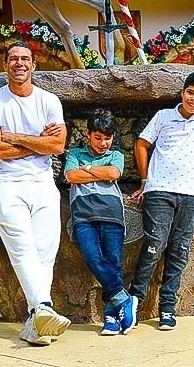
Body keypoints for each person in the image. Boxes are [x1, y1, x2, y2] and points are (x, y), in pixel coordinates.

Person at [0, 42, 70, 346]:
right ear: (5, 66)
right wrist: (35, 143)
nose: (20, 63)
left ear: (34, 66)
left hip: (43, 183)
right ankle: (44, 308)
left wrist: (15, 136)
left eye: (25, 59)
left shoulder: (49, 101)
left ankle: (36, 323)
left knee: (45, 251)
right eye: (14, 59)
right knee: (21, 247)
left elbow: (57, 146)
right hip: (8, 184)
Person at [127, 71, 194, 331]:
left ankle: (167, 307)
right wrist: (144, 180)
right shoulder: (163, 116)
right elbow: (141, 144)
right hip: (159, 189)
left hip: (189, 193)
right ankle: (134, 301)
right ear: (182, 92)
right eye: (190, 92)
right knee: (154, 244)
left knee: (179, 250)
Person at [62, 109, 136, 336]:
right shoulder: (75, 152)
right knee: (93, 256)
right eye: (98, 137)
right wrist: (97, 173)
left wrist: (86, 169)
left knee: (113, 262)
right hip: (83, 216)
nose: (103, 143)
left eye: (108, 138)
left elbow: (114, 173)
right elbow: (70, 177)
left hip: (112, 214)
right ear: (88, 134)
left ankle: (110, 317)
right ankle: (124, 299)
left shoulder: (116, 156)